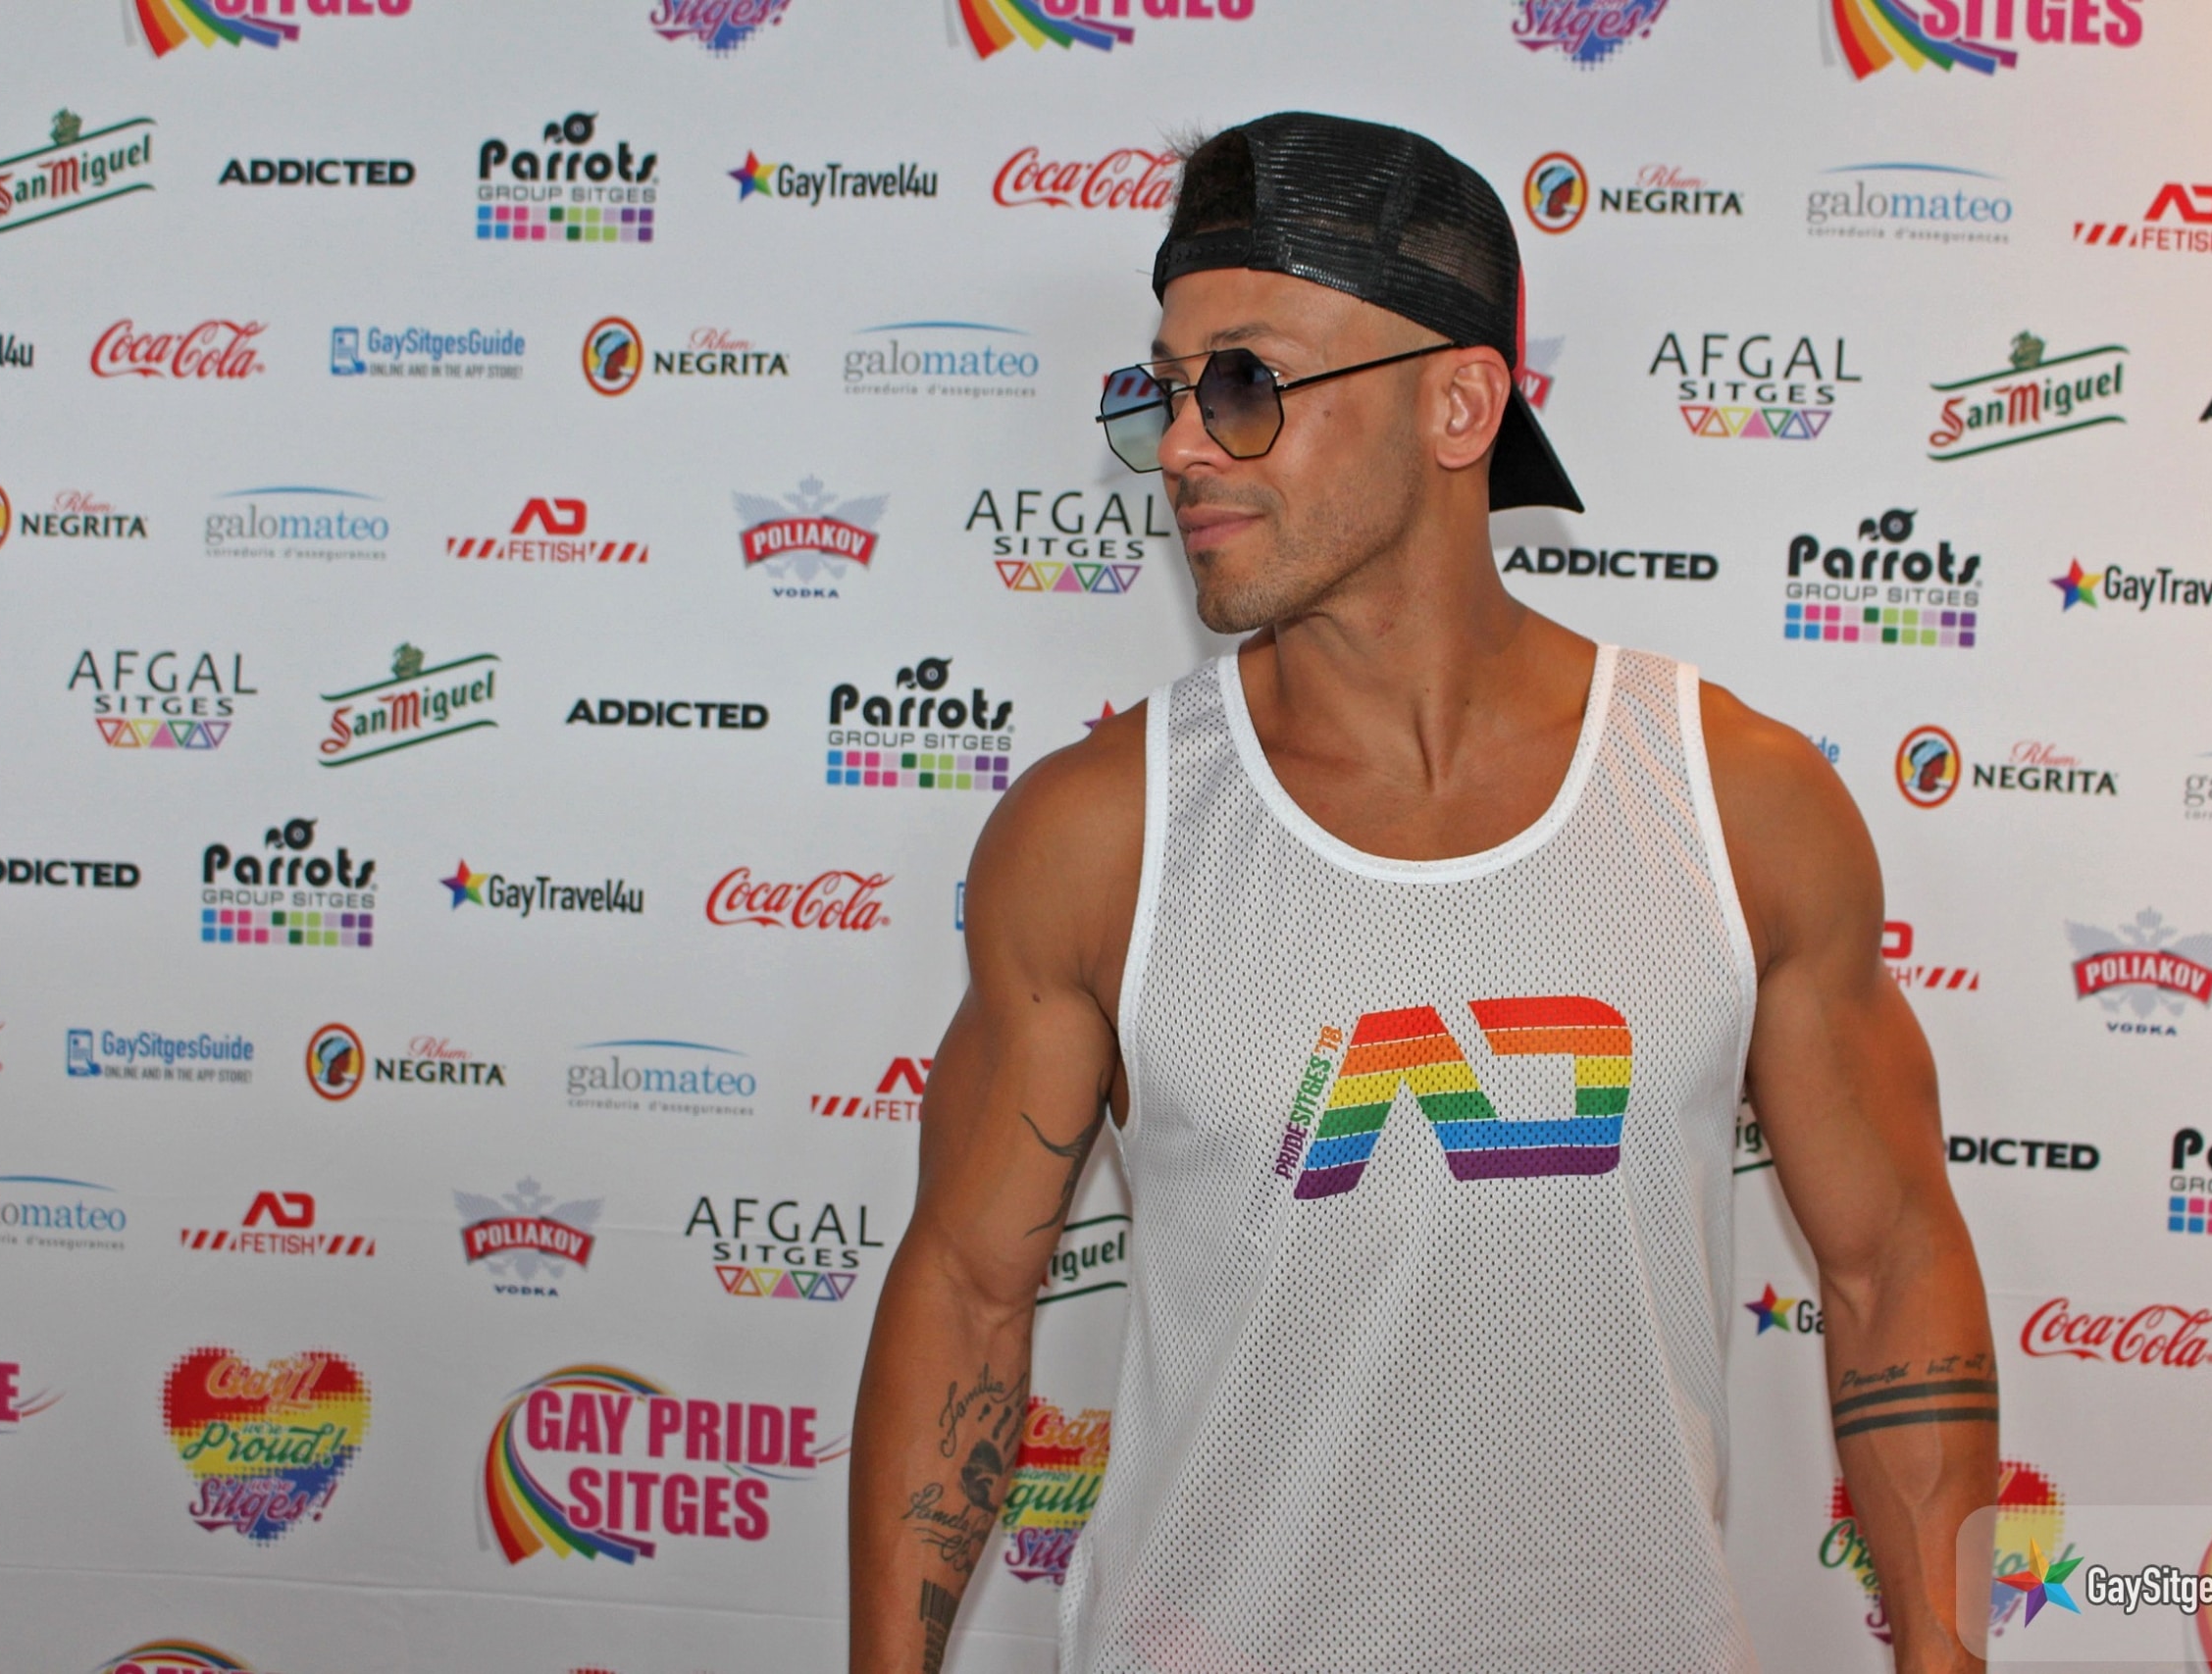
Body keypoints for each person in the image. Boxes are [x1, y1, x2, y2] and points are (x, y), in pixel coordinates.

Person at [850, 112, 1995, 1674]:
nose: (1182, 447)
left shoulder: (1738, 802)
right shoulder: (1098, 834)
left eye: (1245, 385)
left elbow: (1890, 1261)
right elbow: (965, 1293)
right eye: (1166, 391)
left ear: (1461, 405)